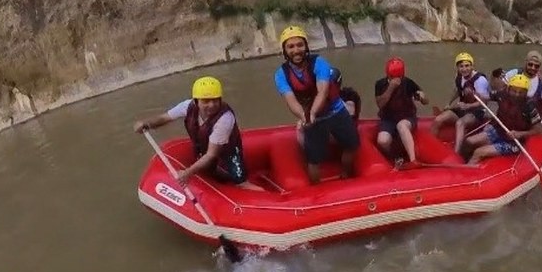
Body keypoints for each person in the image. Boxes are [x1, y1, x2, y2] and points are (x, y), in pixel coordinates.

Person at [132, 75, 258, 190]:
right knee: (209, 172)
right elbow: (166, 117)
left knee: (241, 183)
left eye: (215, 100)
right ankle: (226, 180)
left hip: (228, 148)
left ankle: (266, 198)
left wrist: (187, 173)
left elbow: (211, 155)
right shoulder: (187, 106)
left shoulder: (225, 119)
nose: (212, 105)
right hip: (204, 146)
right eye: (206, 101)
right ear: (196, 101)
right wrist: (147, 124)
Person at [272, 25, 360, 184]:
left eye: (300, 45)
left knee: (351, 145)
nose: (296, 50)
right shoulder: (281, 75)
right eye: (290, 46)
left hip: (335, 111)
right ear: (284, 51)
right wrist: (304, 116)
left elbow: (323, 92)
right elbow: (290, 100)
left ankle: (346, 176)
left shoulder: (319, 63)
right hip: (311, 118)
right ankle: (317, 190)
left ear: (306, 46)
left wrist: (312, 113)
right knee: (313, 159)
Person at [461, 74, 542, 164]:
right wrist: (473, 93)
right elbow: (485, 97)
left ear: (526, 92)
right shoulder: (502, 94)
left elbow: (538, 129)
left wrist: (520, 134)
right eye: (514, 91)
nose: (517, 95)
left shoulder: (530, 106)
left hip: (514, 142)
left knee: (479, 152)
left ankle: (468, 173)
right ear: (508, 89)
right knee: (468, 142)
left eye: (521, 92)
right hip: (499, 130)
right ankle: (462, 162)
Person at [373, 57, 429, 168]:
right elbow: (380, 104)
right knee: (382, 141)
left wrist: (422, 97)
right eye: (393, 77)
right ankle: (395, 157)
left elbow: (426, 101)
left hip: (407, 117)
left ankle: (413, 160)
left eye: (398, 77)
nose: (396, 79)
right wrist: (391, 88)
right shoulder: (380, 84)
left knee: (401, 126)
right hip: (388, 119)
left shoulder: (408, 83)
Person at [431, 51, 491, 154]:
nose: (464, 69)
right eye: (461, 66)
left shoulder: (480, 80)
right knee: (439, 119)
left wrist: (468, 106)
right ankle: (432, 147)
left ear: (472, 66)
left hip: (476, 111)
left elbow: (484, 102)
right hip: (463, 108)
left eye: (467, 66)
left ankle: (457, 153)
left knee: (460, 123)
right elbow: (457, 90)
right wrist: (449, 103)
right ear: (457, 68)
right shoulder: (459, 76)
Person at [500, 50, 542, 130]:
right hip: (508, 118)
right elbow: (499, 89)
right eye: (530, 64)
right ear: (526, 63)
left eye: (536, 66)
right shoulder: (514, 73)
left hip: (528, 123)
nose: (533, 68)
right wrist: (496, 77)